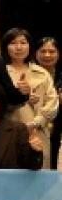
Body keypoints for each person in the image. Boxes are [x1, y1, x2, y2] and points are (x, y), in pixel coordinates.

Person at [1, 28, 58, 169]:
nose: (19, 47)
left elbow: (53, 103)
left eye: (23, 43)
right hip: (9, 132)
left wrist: (36, 122)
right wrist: (21, 97)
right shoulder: (0, 71)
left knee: (39, 172)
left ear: (30, 46)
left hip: (38, 131)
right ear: (6, 46)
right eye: (13, 43)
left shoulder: (42, 72)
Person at [36, 37, 62, 168]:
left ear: (58, 54)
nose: (47, 55)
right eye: (43, 51)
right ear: (35, 53)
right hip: (35, 126)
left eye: (52, 51)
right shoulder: (29, 74)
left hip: (58, 128)